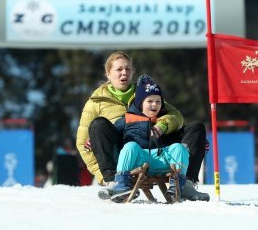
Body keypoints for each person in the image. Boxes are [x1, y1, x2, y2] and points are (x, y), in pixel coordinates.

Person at [76, 51, 209, 201]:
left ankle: (186, 183)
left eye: (128, 69)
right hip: (124, 152)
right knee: (98, 125)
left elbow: (176, 116)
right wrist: (102, 175)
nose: (124, 73)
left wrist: (162, 125)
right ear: (108, 74)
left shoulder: (145, 92)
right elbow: (82, 143)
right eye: (119, 69)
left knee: (196, 129)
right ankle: (114, 181)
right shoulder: (96, 102)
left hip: (157, 145)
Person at [110, 75, 189, 203]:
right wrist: (94, 140)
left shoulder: (165, 118)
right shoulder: (127, 118)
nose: (154, 105)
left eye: (158, 101)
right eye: (150, 101)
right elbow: (110, 132)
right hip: (138, 159)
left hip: (161, 158)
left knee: (179, 148)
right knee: (130, 146)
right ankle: (122, 183)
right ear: (140, 103)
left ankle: (177, 183)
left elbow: (180, 129)